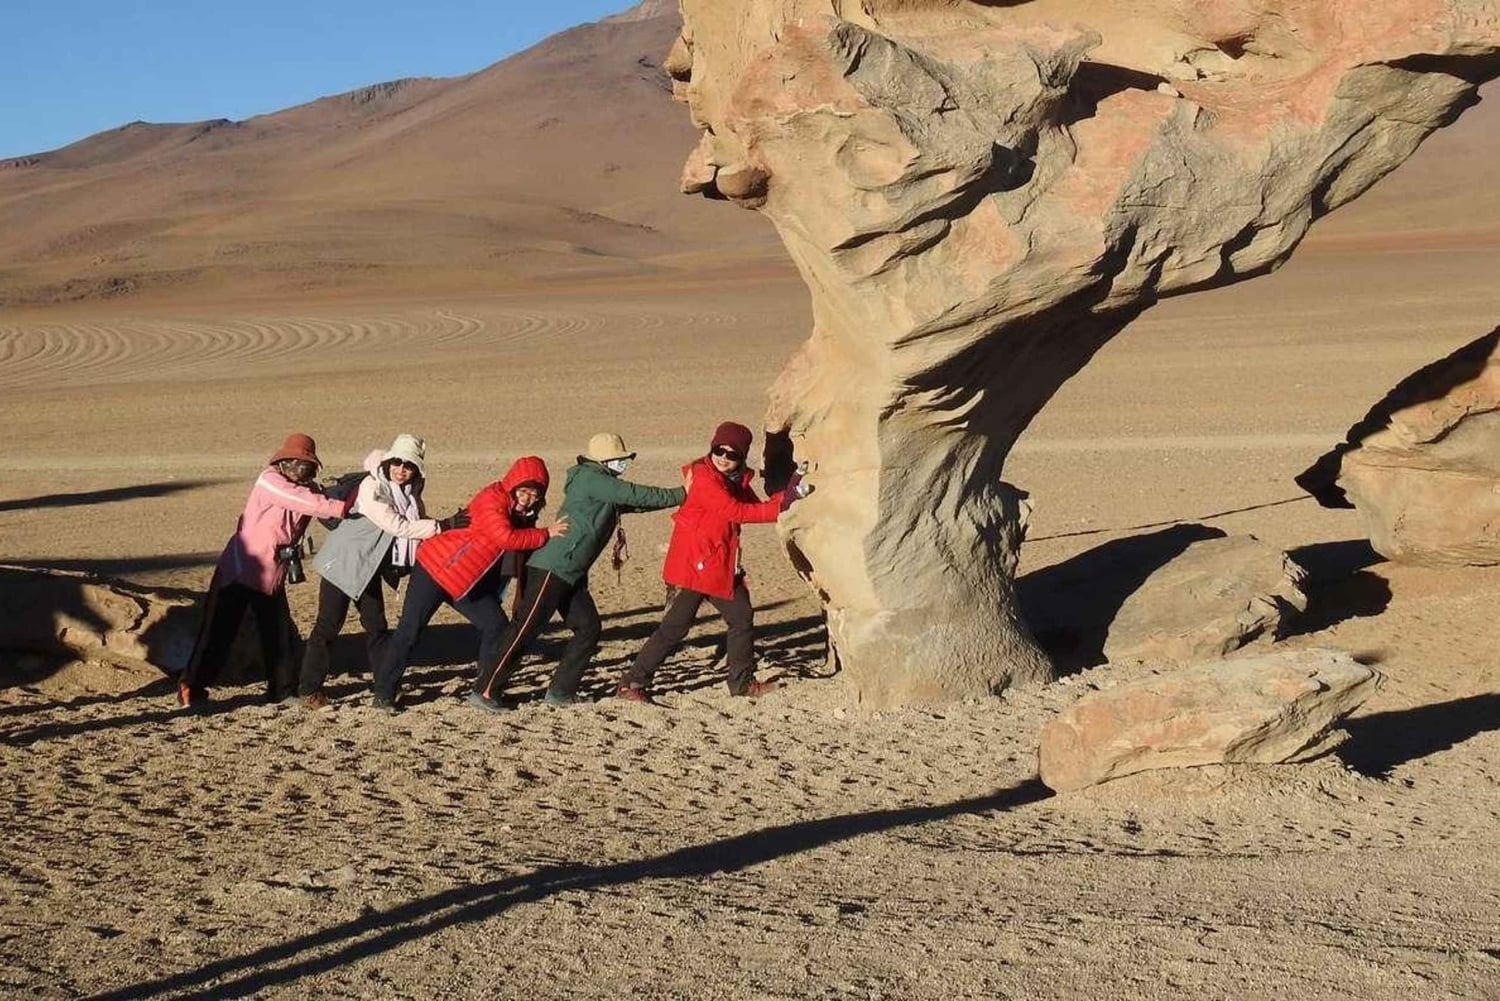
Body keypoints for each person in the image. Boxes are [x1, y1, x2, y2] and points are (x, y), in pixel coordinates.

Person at [469, 432, 687, 712]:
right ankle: (486, 690)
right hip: (553, 567)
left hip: (572, 572)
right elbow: (635, 493)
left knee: (588, 628)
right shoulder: (592, 478)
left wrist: (677, 498)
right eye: (620, 460)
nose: (623, 464)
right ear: (605, 460)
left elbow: (635, 502)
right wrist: (682, 493)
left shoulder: (603, 484)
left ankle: (561, 691)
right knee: (525, 629)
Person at [616, 422, 809, 703]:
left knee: (741, 617)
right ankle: (631, 683)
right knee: (674, 628)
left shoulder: (735, 479)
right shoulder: (704, 478)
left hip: (718, 564)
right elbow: (737, 511)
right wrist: (783, 505)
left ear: (741, 458)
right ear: (712, 448)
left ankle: (741, 683)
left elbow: (756, 505)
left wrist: (790, 492)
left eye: (732, 455)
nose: (724, 458)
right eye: (720, 450)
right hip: (694, 565)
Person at [370, 455, 566, 711]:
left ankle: (484, 687)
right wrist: (545, 534)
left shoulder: (520, 514)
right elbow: (505, 538)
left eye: (534, 494)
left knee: (495, 625)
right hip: (435, 568)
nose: (528, 498)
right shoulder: (492, 499)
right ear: (513, 484)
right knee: (410, 631)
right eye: (524, 491)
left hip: (464, 581)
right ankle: (384, 693)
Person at [178, 432, 352, 708]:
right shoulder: (270, 481)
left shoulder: (306, 488)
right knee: (219, 632)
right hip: (238, 572)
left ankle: (281, 691)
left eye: (307, 466)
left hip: (272, 577)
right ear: (284, 462)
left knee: (278, 636)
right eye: (298, 464)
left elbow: (313, 501)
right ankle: (192, 687)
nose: (302, 470)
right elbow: (305, 502)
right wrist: (343, 506)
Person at [296, 434, 468, 708]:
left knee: (376, 626)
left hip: (368, 567)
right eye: (397, 462)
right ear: (388, 461)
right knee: (328, 626)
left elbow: (415, 523)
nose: (401, 469)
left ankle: (385, 685)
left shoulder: (410, 493)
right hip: (342, 564)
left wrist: (447, 529)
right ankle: (309, 689)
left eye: (408, 465)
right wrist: (443, 525)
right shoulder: (372, 486)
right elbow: (397, 525)